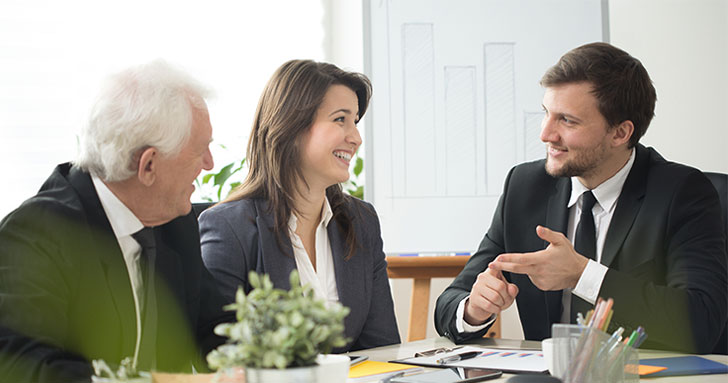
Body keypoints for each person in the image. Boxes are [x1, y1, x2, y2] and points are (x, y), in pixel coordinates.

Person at [434, 42, 727, 354]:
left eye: (567, 120)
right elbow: (449, 305)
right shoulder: (525, 186)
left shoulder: (682, 193)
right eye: (546, 114)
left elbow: (700, 322)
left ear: (620, 133)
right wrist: (473, 309)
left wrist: (582, 275)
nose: (546, 134)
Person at [0, 60, 233, 382]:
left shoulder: (173, 221)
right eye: (200, 150)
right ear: (148, 165)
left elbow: (217, 329)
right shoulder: (36, 234)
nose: (209, 164)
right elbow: (23, 368)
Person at [199, 59, 401, 352]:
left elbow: (382, 350)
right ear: (292, 126)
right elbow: (220, 357)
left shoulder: (362, 221)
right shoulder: (230, 228)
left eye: (355, 121)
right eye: (340, 119)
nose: (355, 138)